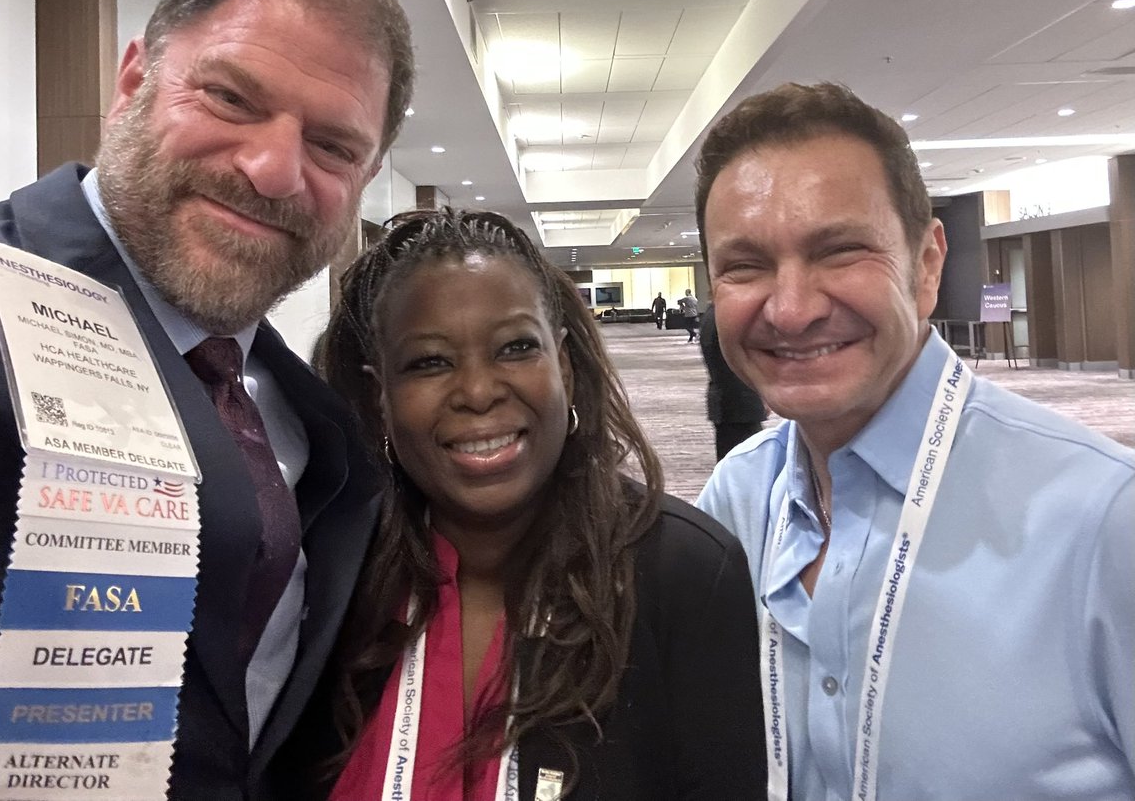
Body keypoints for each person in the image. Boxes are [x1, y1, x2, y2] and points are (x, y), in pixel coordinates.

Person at [0, 0, 415, 799]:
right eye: (231, 98)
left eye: (333, 147)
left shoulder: (316, 426)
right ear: (133, 84)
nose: (275, 170)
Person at [694, 82, 1135, 801]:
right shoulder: (734, 508)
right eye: (745, 266)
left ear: (927, 263)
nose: (792, 308)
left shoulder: (1104, 519)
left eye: (839, 251)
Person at [302, 208, 766, 800]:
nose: (477, 391)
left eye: (516, 348)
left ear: (565, 368)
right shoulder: (332, 579)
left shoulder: (685, 574)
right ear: (380, 396)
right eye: (429, 362)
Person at [699, 303, 766, 461]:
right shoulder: (723, 318)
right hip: (738, 404)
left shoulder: (711, 315)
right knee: (747, 461)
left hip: (727, 403)